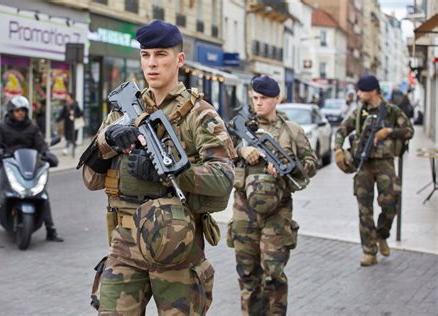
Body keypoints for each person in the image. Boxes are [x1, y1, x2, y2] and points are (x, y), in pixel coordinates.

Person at [80, 20, 235, 315]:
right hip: (124, 243)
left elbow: (224, 178)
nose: (151, 64)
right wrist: (108, 140)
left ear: (179, 60)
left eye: (161, 54)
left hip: (177, 245)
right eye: (146, 55)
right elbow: (90, 178)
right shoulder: (123, 110)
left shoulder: (199, 114)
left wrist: (174, 172)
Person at [228, 75, 317, 315]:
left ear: (277, 99)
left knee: (273, 274)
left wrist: (290, 164)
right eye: (255, 98)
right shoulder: (241, 127)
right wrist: (241, 150)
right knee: (247, 274)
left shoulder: (292, 131)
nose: (258, 103)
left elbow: (311, 164)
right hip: (243, 210)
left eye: (264, 98)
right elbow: (218, 154)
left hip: (277, 213)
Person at [334, 75, 414, 266]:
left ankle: (381, 234)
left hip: (385, 163)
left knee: (390, 203)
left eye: (361, 90)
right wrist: (338, 149)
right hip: (363, 164)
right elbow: (342, 129)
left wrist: (389, 132)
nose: (359, 94)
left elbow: (409, 131)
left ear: (373, 91)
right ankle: (369, 251)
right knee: (364, 209)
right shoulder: (359, 112)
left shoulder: (391, 111)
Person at [0, 96, 64, 242]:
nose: (20, 113)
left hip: (29, 164)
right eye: (17, 111)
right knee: (6, 187)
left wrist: (47, 153)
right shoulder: (3, 126)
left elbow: (40, 144)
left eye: (23, 110)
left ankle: (51, 230)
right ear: (11, 111)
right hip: (10, 162)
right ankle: (1, 205)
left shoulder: (32, 127)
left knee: (42, 194)